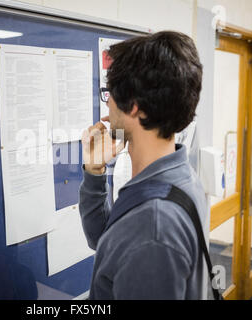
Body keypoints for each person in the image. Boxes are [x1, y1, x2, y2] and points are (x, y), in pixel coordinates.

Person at [79, 31, 207, 299]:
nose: (108, 103)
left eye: (109, 93)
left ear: (134, 106)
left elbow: (138, 235)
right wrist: (94, 171)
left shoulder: (154, 226)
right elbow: (105, 239)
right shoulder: (176, 177)